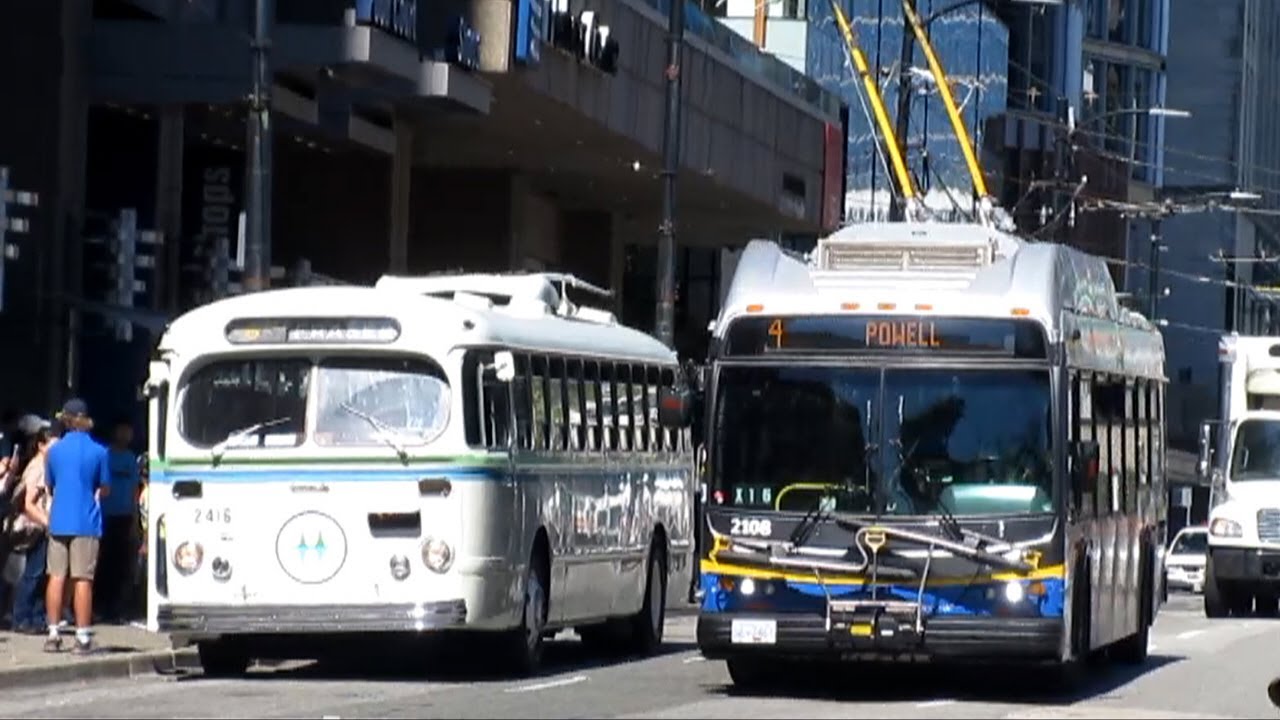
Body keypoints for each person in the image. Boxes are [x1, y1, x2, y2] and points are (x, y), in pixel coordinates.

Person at [43, 399, 110, 655]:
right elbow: (104, 488)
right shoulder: (99, 451)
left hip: (59, 519)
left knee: (56, 576)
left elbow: (49, 485)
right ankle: (82, 637)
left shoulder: (54, 451)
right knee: (83, 578)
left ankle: (53, 634)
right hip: (86, 521)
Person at [10, 422, 57, 634]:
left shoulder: (46, 466)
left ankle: (36, 617)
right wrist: (47, 521)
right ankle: (22, 617)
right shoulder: (38, 468)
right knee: (33, 574)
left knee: (39, 574)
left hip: (41, 528)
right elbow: (28, 503)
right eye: (52, 445)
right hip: (36, 528)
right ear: (41, 445)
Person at [98, 418, 141, 622]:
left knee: (120, 565)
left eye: (129, 431)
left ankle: (116, 609)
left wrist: (134, 519)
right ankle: (100, 606)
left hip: (124, 517)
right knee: (102, 564)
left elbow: (134, 490)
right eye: (122, 430)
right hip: (105, 516)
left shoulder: (131, 458)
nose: (126, 435)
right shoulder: (104, 455)